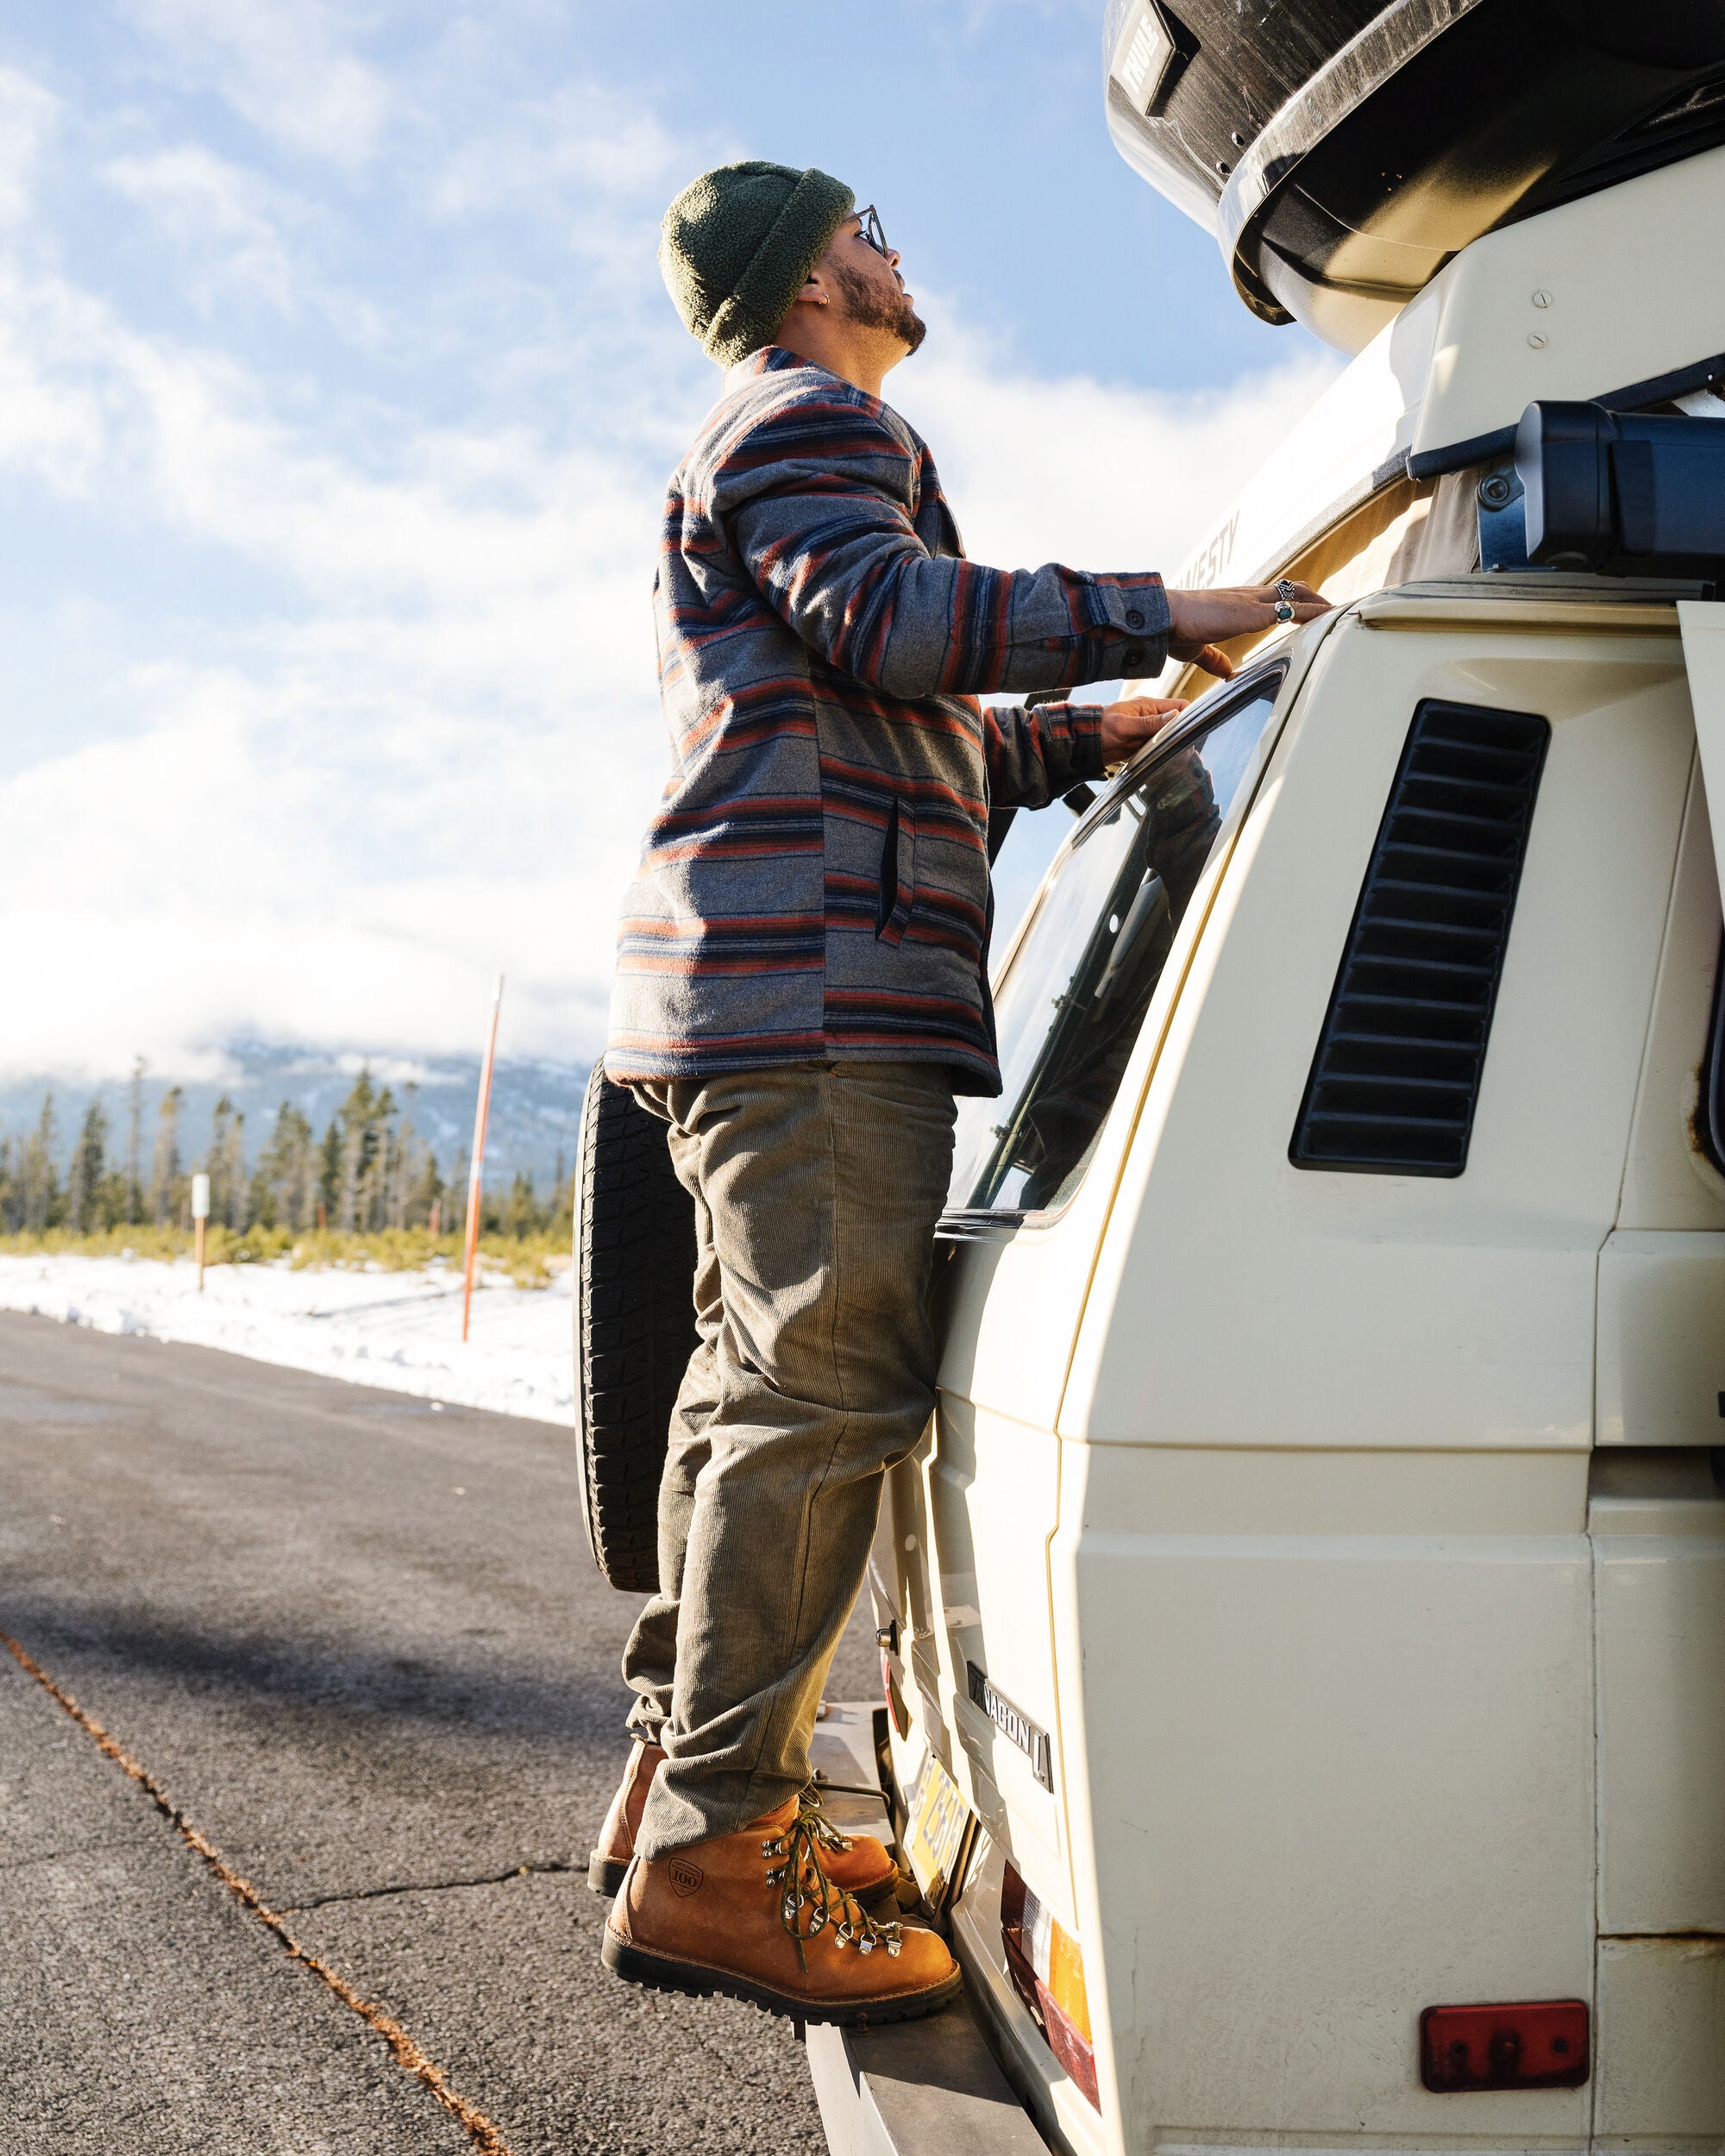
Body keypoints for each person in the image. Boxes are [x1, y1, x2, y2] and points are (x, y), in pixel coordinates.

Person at [593, 159, 1328, 2025]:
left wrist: (1088, 738)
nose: (896, 241)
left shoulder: (782, 444)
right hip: (818, 998)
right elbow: (898, 628)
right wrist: (1170, 610)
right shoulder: (812, 414)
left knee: (751, 1381)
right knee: (824, 1388)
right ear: (803, 276)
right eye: (865, 222)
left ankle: (676, 1793)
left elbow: (898, 715)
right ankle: (713, 1848)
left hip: (755, 991)